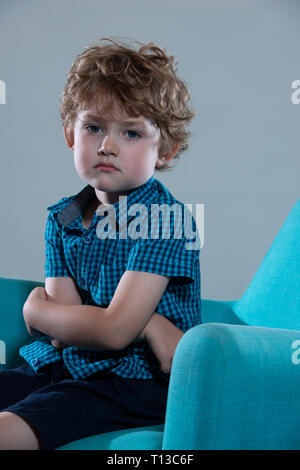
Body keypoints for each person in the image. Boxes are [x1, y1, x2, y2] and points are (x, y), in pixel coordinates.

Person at [0, 37, 201, 449]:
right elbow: (62, 333)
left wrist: (35, 307)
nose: (107, 145)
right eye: (93, 127)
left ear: (165, 150)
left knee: (7, 431)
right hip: (69, 364)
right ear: (71, 135)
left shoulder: (167, 220)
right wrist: (147, 323)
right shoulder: (64, 217)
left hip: (133, 381)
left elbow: (109, 333)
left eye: (130, 133)